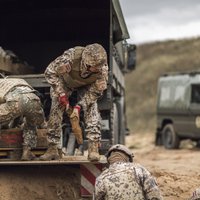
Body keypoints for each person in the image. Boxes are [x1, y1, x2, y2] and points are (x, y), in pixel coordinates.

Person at [40, 43, 108, 161]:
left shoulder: (102, 69)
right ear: (86, 63)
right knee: (56, 108)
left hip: (87, 87)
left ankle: (93, 149)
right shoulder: (70, 58)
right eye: (95, 67)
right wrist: (61, 93)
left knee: (92, 108)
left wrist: (79, 107)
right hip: (65, 82)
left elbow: (96, 92)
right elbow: (50, 72)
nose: (98, 69)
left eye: (99, 66)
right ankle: (52, 149)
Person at [95, 144, 163, 200]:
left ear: (109, 160)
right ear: (128, 157)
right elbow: (155, 194)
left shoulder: (101, 178)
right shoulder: (139, 170)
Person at [0, 77, 45, 160]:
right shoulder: (19, 81)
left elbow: (11, 109)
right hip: (34, 100)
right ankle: (27, 152)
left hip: (14, 101)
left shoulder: (2, 85)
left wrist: (4, 125)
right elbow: (22, 108)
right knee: (31, 123)